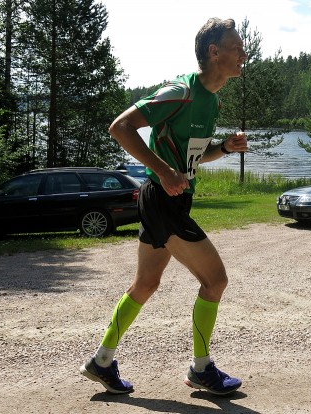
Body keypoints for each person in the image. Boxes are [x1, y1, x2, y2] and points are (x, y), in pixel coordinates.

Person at [79, 18, 248, 396]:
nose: (243, 53)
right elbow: (120, 127)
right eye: (236, 47)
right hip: (163, 201)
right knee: (215, 280)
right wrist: (163, 170)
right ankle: (201, 368)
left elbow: (191, 158)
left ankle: (101, 361)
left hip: (167, 197)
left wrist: (223, 149)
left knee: (145, 284)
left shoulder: (212, 99)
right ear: (213, 52)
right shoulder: (180, 91)